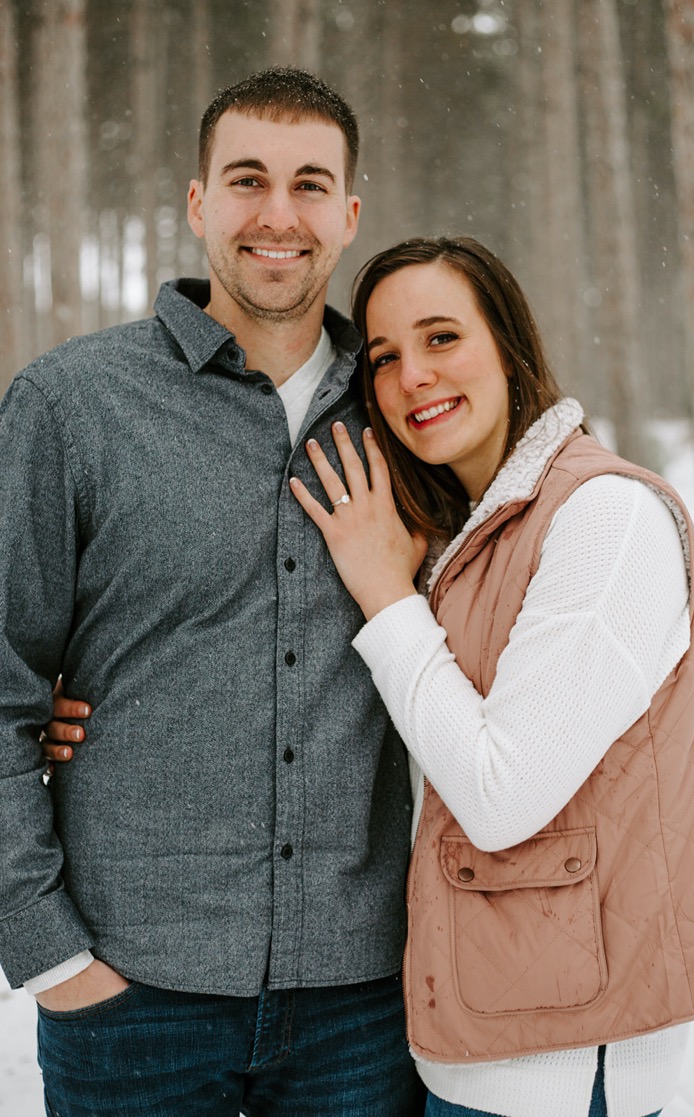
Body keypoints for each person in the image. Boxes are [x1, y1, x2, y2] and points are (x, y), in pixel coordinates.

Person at [0, 69, 424, 1114]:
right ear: (198, 204)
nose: (278, 215)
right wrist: (50, 953)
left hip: (363, 1004)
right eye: (247, 180)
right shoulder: (71, 406)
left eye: (310, 185)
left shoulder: (412, 417)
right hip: (131, 992)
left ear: (350, 213)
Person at [283, 235, 694, 1116]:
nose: (413, 374)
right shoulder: (470, 536)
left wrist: (384, 596)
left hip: (559, 1065)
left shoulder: (606, 518)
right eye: (384, 356)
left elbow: (500, 796)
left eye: (442, 337)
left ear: (508, 343)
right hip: (475, 1035)